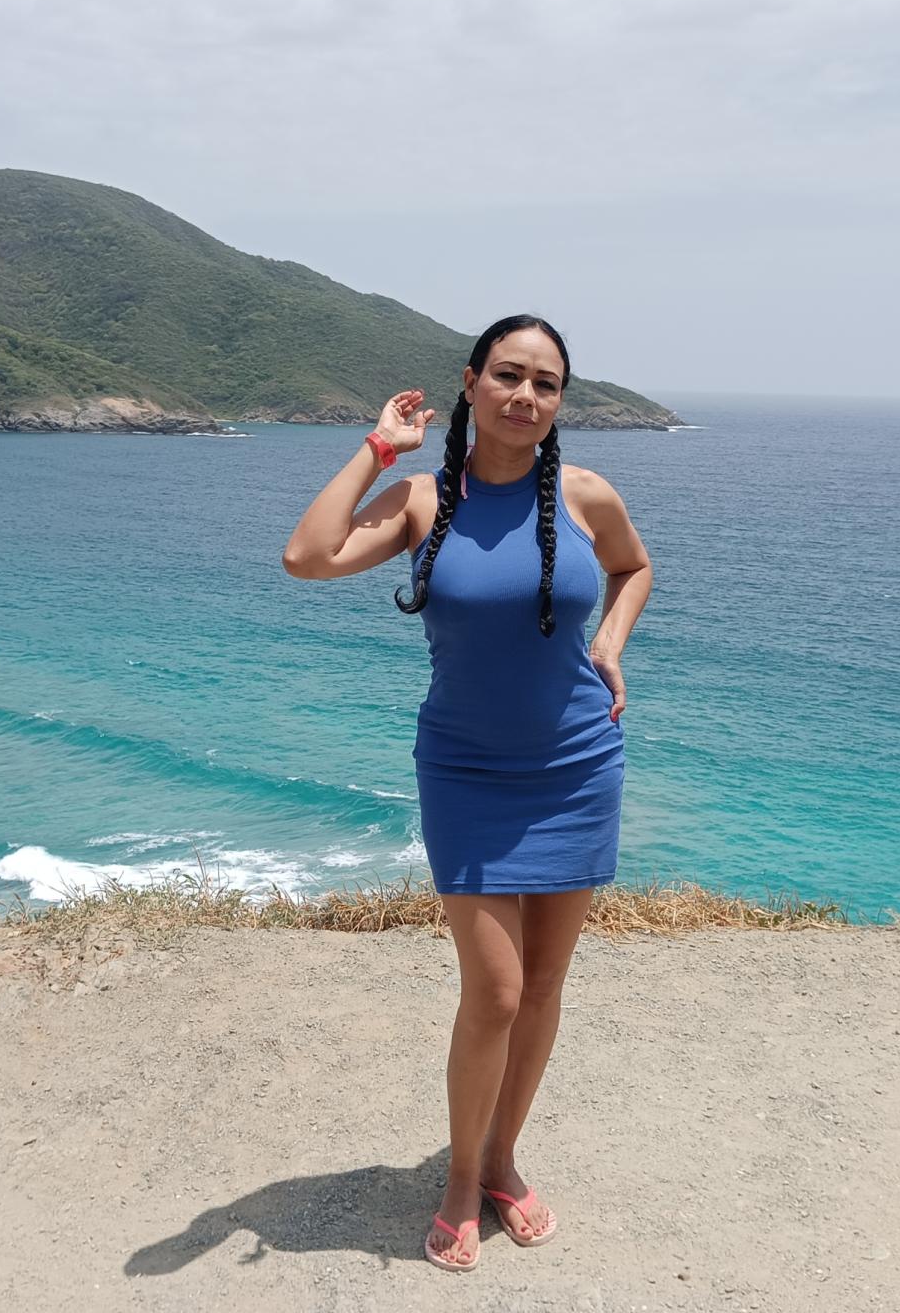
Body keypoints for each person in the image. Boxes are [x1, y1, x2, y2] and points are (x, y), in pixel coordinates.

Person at [281, 313, 654, 1272]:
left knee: (544, 987)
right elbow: (307, 556)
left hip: (576, 765)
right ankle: (458, 1176)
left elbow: (633, 567)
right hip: (465, 771)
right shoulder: (421, 500)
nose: (525, 396)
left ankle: (500, 1159)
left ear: (558, 401)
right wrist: (377, 450)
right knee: (494, 991)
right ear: (471, 382)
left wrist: (608, 645)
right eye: (508, 375)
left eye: (545, 383)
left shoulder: (584, 495)